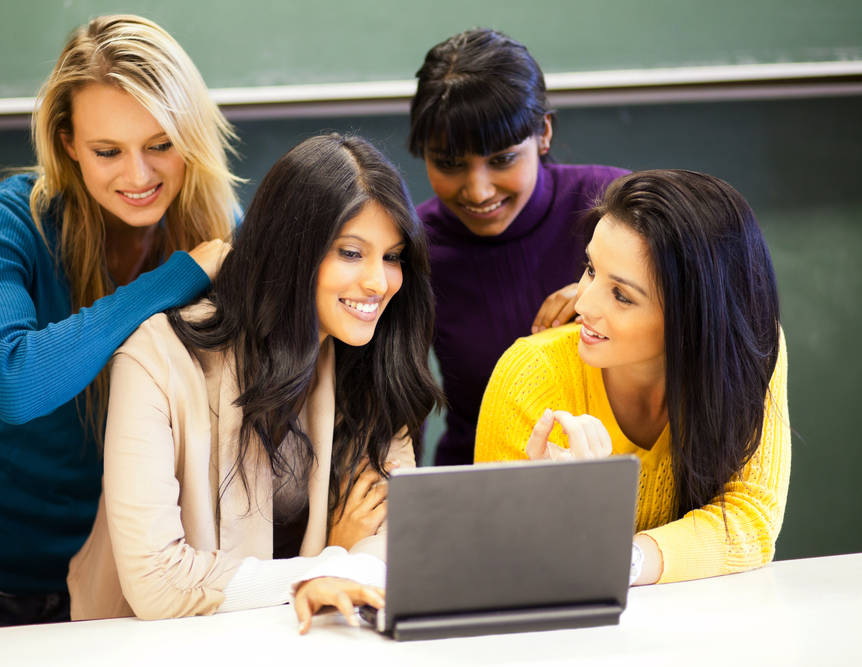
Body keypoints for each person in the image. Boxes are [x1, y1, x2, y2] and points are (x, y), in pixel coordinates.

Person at [0, 15, 240, 632]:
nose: (138, 176)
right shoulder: (3, 222)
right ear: (66, 143)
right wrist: (173, 280)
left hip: (120, 582)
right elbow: (17, 384)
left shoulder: (216, 229)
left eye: (160, 144)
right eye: (108, 151)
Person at [67, 133, 443, 633]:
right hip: (142, 644)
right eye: (352, 253)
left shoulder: (370, 354)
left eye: (393, 257)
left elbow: (395, 535)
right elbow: (157, 581)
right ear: (291, 253)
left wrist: (346, 564)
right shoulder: (155, 357)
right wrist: (331, 561)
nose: (379, 282)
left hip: (302, 638)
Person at [475, 169, 791, 585]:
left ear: (694, 318)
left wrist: (623, 558)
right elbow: (501, 563)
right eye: (590, 269)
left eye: (621, 295)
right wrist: (564, 508)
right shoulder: (531, 374)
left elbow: (750, 519)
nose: (582, 304)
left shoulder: (750, 348)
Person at [408, 28, 630, 466]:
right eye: (450, 164)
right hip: (477, 488)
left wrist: (606, 292)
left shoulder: (618, 208)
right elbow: (398, 403)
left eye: (502, 159)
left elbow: (713, 321)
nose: (478, 190)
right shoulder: (410, 249)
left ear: (542, 133)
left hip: (623, 488)